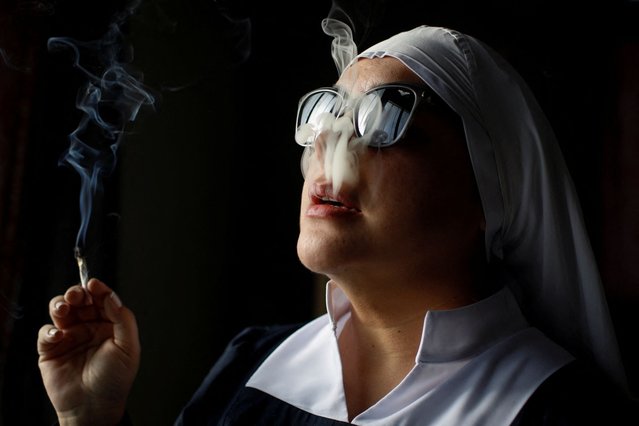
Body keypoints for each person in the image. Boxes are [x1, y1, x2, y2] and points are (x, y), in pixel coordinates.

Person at [37, 24, 637, 425]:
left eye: (384, 121)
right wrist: (91, 419)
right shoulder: (254, 364)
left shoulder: (555, 407)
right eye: (330, 113)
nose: (332, 147)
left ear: (490, 191)